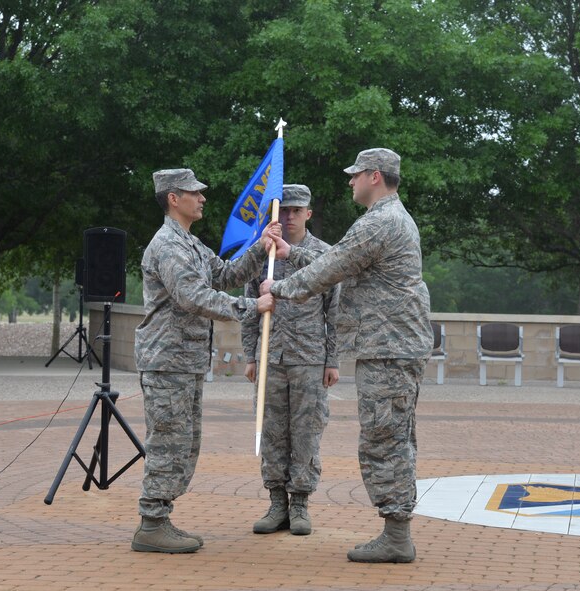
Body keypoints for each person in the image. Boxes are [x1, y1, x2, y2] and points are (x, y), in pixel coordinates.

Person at [260, 149, 433, 563]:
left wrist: (278, 289)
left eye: (355, 176)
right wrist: (292, 254)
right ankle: (395, 530)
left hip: (389, 349)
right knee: (392, 437)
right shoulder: (390, 219)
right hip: (391, 347)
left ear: (374, 176)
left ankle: (395, 536)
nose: (350, 182)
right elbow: (340, 257)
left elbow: (333, 266)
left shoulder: (381, 221)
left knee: (383, 440)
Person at [132, 168, 281, 554]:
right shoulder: (167, 246)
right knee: (168, 441)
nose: (202, 198)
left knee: (184, 443)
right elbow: (194, 297)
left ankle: (160, 517)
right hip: (167, 360)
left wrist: (260, 245)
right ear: (172, 198)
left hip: (184, 360)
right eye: (193, 193)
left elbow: (225, 274)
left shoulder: (190, 245)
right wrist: (252, 306)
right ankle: (151, 524)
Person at [242, 184, 340, 536]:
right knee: (271, 433)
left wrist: (333, 360)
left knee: (306, 432)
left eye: (297, 210)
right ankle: (276, 504)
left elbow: (336, 312)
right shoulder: (263, 253)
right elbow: (250, 309)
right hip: (270, 355)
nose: (289, 216)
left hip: (309, 357)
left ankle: (300, 504)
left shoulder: (325, 255)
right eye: (283, 210)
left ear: (309, 214)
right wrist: (250, 355)